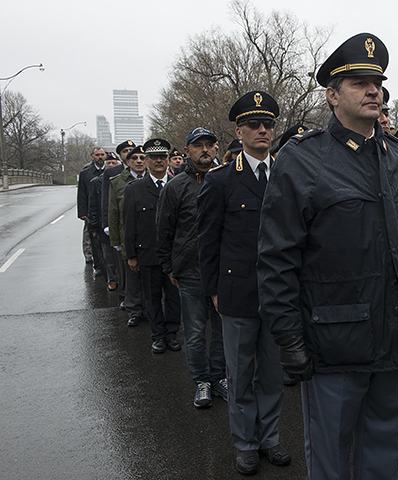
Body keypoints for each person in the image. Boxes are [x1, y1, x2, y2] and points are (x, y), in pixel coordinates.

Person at [257, 33, 398, 480]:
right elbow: (277, 259)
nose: (373, 89)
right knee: (331, 459)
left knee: (383, 456)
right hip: (333, 346)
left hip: (396, 342)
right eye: (359, 82)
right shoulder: (302, 161)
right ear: (332, 94)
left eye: (377, 81)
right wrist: (289, 339)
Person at [197, 91, 291, 476]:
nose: (263, 130)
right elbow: (207, 240)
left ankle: (269, 438)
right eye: (254, 124)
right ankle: (246, 443)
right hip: (236, 293)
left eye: (268, 123)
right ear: (240, 130)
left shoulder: (286, 174)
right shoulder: (221, 180)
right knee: (239, 375)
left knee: (270, 374)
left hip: (279, 293)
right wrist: (213, 291)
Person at [156, 127, 227, 409]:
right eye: (198, 146)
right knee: (195, 331)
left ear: (217, 148)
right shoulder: (176, 186)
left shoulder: (226, 179)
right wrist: (169, 266)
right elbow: (163, 230)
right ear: (187, 151)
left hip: (223, 271)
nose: (205, 150)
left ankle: (220, 376)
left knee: (222, 329)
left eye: (210, 145)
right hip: (189, 272)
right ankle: (202, 381)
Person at [123, 138, 181, 354]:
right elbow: (129, 224)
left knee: (174, 298)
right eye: (154, 157)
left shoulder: (178, 184)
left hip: (175, 254)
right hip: (147, 253)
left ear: (168, 160)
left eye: (162, 157)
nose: (158, 160)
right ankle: (157, 336)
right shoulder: (135, 189)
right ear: (146, 161)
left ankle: (172, 333)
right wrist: (131, 255)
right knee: (152, 298)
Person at [108, 144, 147, 327]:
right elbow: (113, 213)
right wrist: (115, 241)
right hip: (127, 237)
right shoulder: (117, 182)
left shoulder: (153, 179)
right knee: (131, 276)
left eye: (142, 158)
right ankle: (134, 310)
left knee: (149, 276)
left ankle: (148, 309)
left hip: (148, 237)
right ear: (127, 162)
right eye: (135, 159)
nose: (139, 161)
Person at [102, 140, 137, 306]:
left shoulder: (147, 174)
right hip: (123, 231)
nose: (137, 160)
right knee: (124, 270)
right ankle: (126, 300)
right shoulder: (113, 175)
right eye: (126, 151)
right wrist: (109, 230)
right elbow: (109, 205)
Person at [88, 153, 120, 290]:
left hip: (118, 223)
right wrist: (94, 226)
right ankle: (111, 279)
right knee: (108, 256)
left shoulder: (120, 180)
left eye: (114, 163)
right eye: (109, 163)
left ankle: (120, 279)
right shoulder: (97, 182)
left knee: (119, 256)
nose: (111, 166)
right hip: (104, 224)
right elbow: (93, 206)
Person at [77, 147, 106, 271]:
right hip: (91, 210)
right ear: (92, 157)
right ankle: (90, 256)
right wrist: (82, 212)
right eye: (97, 155)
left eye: (102, 155)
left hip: (104, 209)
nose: (100, 157)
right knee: (90, 235)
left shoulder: (110, 170)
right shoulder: (86, 173)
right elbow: (82, 193)